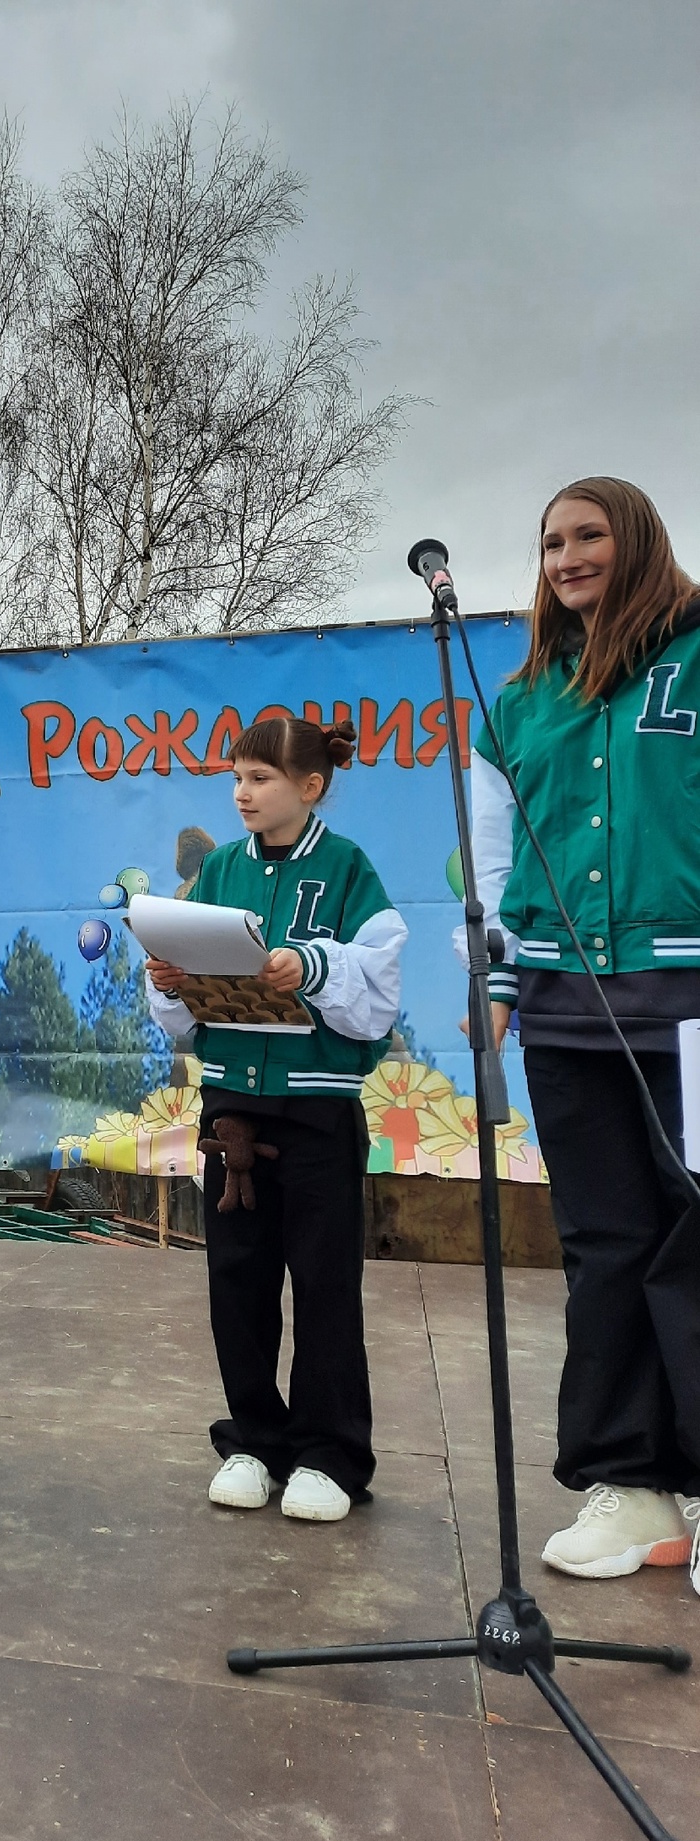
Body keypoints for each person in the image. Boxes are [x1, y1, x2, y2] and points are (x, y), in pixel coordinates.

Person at [468, 477, 700, 1591]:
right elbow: (502, 856)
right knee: (604, 1242)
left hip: (689, 1003)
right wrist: (502, 982)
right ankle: (632, 1484)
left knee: (694, 1238)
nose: (566, 557)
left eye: (588, 534)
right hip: (563, 1009)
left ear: (638, 539)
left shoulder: (699, 656)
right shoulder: (517, 704)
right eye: (551, 540)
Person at [145, 716, 406, 1523]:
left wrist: (313, 964)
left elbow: (381, 987)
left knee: (325, 1284)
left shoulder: (346, 866)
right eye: (236, 778)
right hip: (231, 1110)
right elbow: (181, 1018)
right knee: (238, 1282)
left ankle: (330, 1454)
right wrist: (171, 978)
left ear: (310, 786)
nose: (242, 793)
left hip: (317, 1107)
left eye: (259, 778)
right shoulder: (218, 869)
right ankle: (255, 1440)